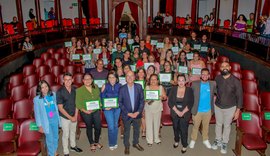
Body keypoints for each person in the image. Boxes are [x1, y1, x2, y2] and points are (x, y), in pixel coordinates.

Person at [211, 61, 243, 154]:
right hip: (218, 106)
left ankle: (225, 142)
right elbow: (216, 91)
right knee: (218, 124)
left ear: (230, 68)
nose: (224, 67)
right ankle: (218, 140)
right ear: (220, 68)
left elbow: (240, 96)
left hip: (230, 108)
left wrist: (238, 111)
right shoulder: (217, 78)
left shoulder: (236, 81)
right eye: (222, 66)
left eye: (226, 66)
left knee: (227, 125)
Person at [189, 68, 216, 149]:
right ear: (200, 75)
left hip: (208, 110)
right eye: (203, 74)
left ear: (209, 75)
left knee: (206, 126)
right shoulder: (194, 84)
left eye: (206, 74)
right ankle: (193, 140)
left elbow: (219, 93)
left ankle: (205, 139)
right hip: (197, 110)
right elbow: (190, 96)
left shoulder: (213, 84)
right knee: (195, 126)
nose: (204, 76)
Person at [119, 71, 145, 155]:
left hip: (137, 114)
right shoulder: (122, 88)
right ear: (125, 78)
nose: (130, 77)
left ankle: (135, 143)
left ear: (134, 77)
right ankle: (126, 145)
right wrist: (128, 113)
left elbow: (141, 101)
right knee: (126, 131)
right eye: (128, 76)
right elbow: (120, 103)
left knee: (137, 129)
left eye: (131, 76)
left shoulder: (139, 87)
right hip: (127, 114)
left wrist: (138, 112)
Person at [76, 73, 103, 152]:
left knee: (98, 126)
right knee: (89, 127)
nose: (87, 80)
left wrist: (100, 103)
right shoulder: (79, 90)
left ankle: (96, 141)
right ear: (83, 81)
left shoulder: (96, 87)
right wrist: (85, 111)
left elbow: (98, 97)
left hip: (95, 110)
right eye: (85, 79)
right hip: (85, 112)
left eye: (89, 79)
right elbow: (78, 104)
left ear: (92, 80)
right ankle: (91, 143)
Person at [56, 73, 82, 156]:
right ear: (63, 80)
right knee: (65, 134)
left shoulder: (75, 89)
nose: (68, 81)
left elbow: (77, 104)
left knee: (73, 132)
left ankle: (73, 146)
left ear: (73, 80)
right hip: (64, 117)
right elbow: (60, 108)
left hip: (74, 115)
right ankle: (66, 151)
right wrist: (71, 117)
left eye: (69, 79)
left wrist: (75, 116)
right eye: (66, 79)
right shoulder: (60, 92)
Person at [33, 80, 61, 156]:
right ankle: (51, 154)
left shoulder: (53, 94)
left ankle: (54, 151)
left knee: (56, 136)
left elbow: (56, 108)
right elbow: (37, 113)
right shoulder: (37, 99)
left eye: (46, 86)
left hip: (54, 119)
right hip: (46, 122)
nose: (45, 89)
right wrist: (39, 126)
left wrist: (59, 120)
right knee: (50, 139)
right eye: (42, 87)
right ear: (39, 89)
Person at [168, 75, 194, 153]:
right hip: (175, 112)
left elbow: (190, 103)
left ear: (185, 81)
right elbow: (170, 102)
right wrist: (177, 111)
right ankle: (176, 140)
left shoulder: (189, 90)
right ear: (177, 82)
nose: (181, 82)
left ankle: (184, 144)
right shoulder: (173, 89)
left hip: (185, 113)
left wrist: (182, 112)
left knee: (183, 130)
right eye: (179, 80)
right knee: (175, 128)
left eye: (183, 80)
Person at [100, 71, 121, 150]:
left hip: (117, 108)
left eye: (113, 77)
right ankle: (111, 143)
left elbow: (122, 98)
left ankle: (115, 141)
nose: (111, 79)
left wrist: (119, 104)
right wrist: (105, 107)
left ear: (116, 78)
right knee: (111, 126)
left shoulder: (120, 86)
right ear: (107, 79)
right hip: (107, 109)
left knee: (115, 125)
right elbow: (101, 98)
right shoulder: (105, 86)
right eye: (110, 77)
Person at [145, 74, 167, 146]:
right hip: (148, 109)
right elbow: (144, 99)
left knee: (157, 124)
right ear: (149, 80)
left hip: (158, 109)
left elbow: (165, 97)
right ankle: (149, 140)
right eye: (151, 79)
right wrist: (147, 100)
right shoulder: (147, 87)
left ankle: (157, 139)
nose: (153, 81)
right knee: (148, 124)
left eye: (155, 79)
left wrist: (161, 97)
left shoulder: (161, 87)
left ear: (158, 80)